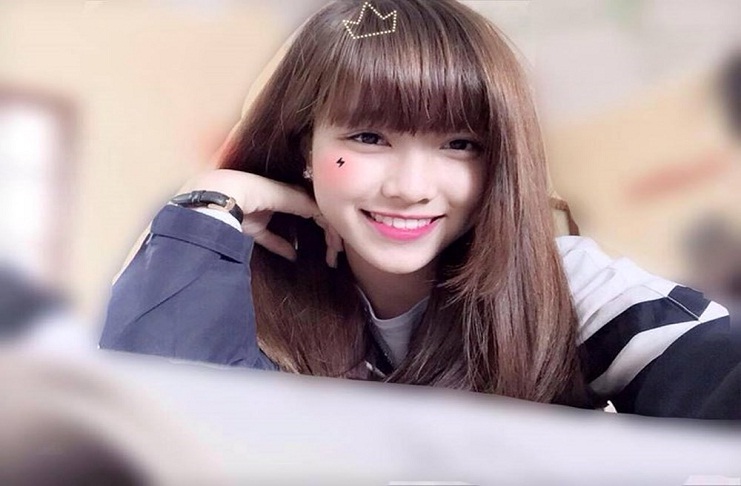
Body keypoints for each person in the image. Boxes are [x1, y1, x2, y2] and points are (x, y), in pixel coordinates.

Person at [99, 0, 740, 419]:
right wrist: (213, 200)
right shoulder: (236, 276)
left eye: (459, 144)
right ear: (303, 147)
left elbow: (716, 372)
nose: (411, 187)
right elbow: (153, 421)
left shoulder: (559, 284)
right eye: (368, 137)